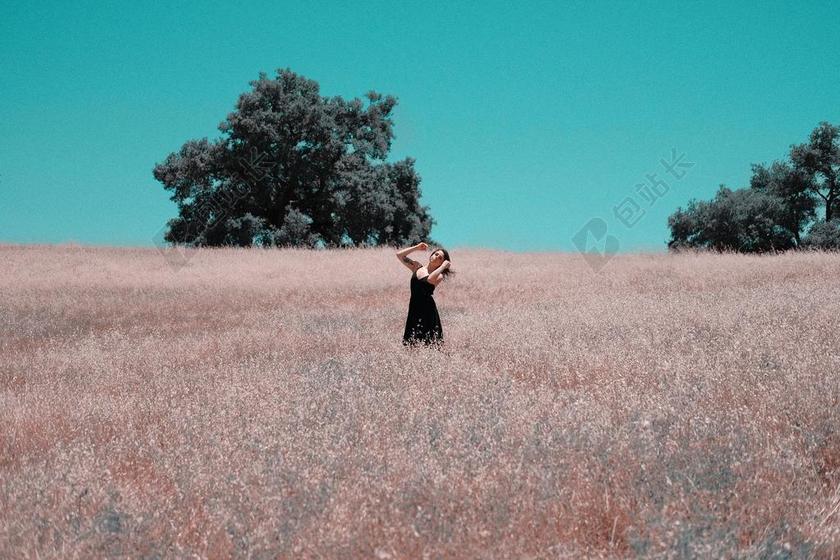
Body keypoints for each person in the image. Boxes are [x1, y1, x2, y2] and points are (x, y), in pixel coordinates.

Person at [396, 242, 454, 349]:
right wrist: (416, 247)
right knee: (411, 344)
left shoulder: (439, 275)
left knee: (429, 344)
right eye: (436, 254)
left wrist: (442, 268)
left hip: (427, 311)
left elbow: (430, 279)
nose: (436, 257)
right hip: (414, 307)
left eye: (440, 258)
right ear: (431, 254)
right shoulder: (417, 267)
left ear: (442, 263)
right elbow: (399, 255)